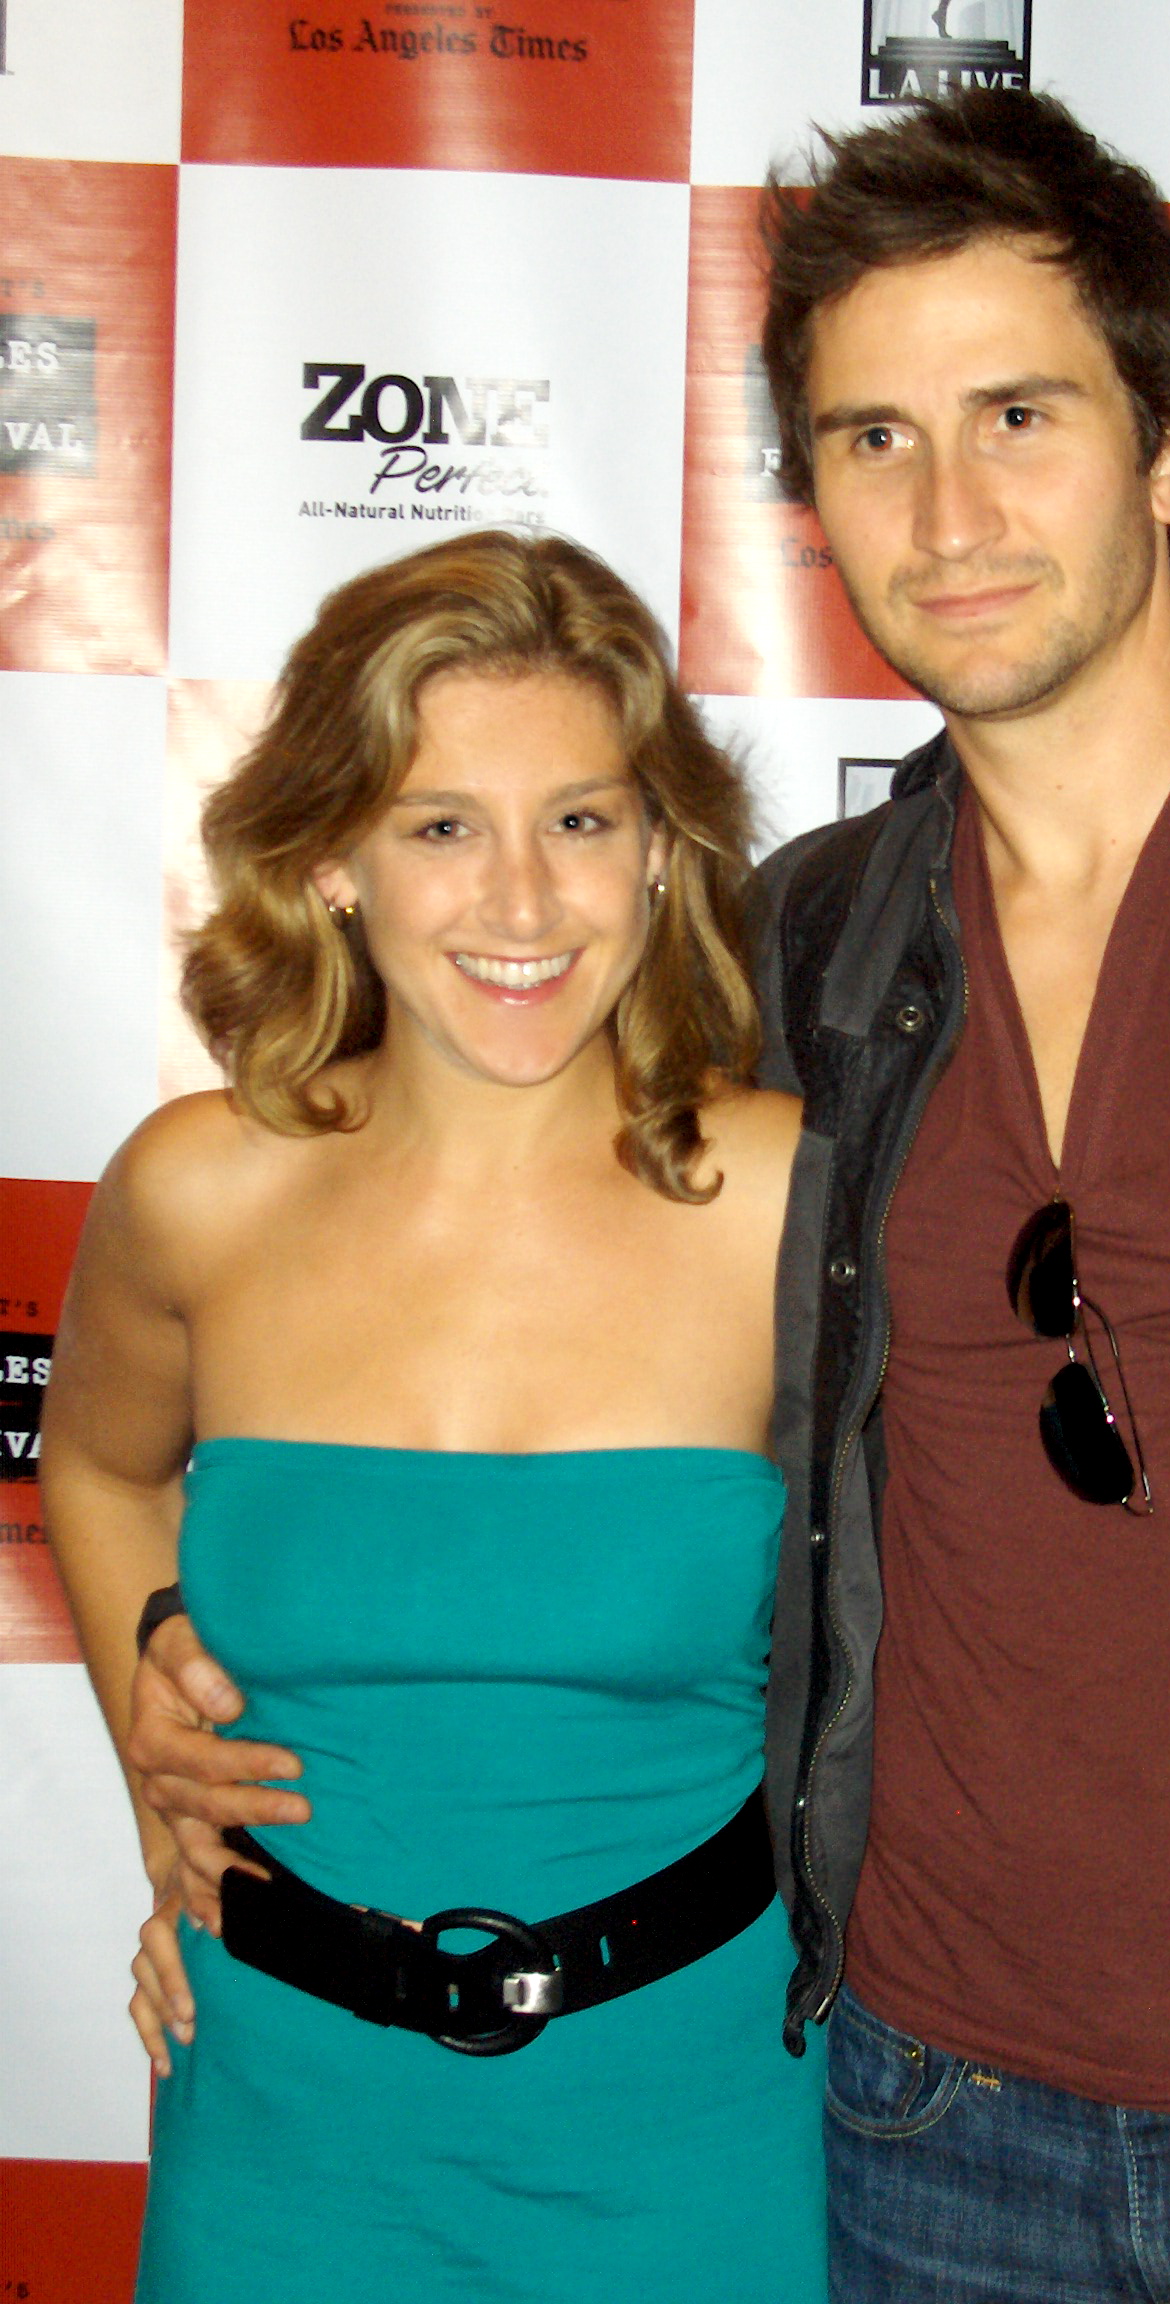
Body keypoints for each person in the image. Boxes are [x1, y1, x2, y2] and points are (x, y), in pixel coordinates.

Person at [129, 91, 1170, 2301]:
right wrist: (189, 1741)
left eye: (1018, 416)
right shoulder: (806, 945)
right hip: (920, 2139)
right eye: (874, 439)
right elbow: (512, 1396)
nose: (949, 510)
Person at [42, 530, 824, 2304]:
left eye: (583, 819)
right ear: (330, 858)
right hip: (280, 2121)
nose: (525, 905)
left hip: (691, 2125)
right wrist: (159, 1755)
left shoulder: (788, 1205)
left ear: (662, 848)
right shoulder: (198, 1193)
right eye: (441, 825)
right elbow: (91, 1464)